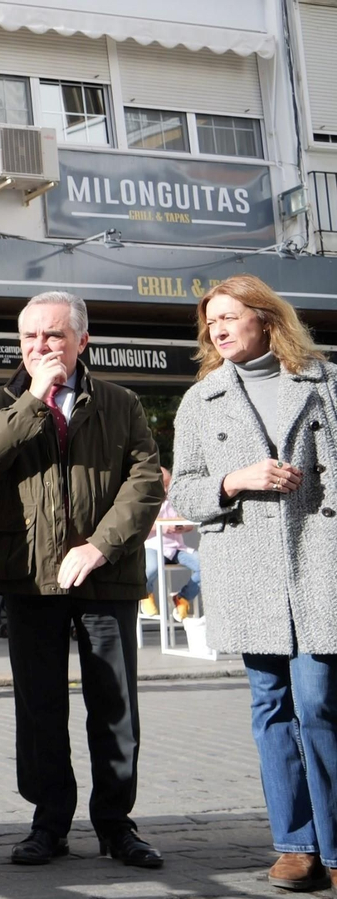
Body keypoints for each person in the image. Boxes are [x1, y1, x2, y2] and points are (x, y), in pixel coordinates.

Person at [0, 290, 164, 869]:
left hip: (106, 576)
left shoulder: (122, 402)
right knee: (40, 706)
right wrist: (33, 398)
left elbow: (145, 481)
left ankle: (116, 824)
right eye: (30, 337)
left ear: (82, 340)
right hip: (28, 576)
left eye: (53, 336)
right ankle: (48, 822)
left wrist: (100, 548)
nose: (40, 347)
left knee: (114, 704)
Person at [168, 274, 337, 893]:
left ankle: (336, 844)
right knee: (270, 704)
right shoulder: (202, 398)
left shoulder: (325, 383)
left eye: (228, 317)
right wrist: (234, 480)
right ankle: (295, 847)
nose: (216, 329)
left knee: (318, 701)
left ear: (267, 319)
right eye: (210, 321)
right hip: (249, 566)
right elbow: (184, 488)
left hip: (321, 560)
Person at [142, 467, 201, 620]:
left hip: (177, 548)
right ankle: (145, 594)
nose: (167, 489)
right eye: (165, 485)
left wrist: (180, 527)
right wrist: (162, 527)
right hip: (153, 545)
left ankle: (182, 597)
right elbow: (140, 525)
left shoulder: (175, 499)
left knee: (204, 566)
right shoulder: (145, 500)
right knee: (151, 569)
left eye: (169, 484)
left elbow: (189, 524)